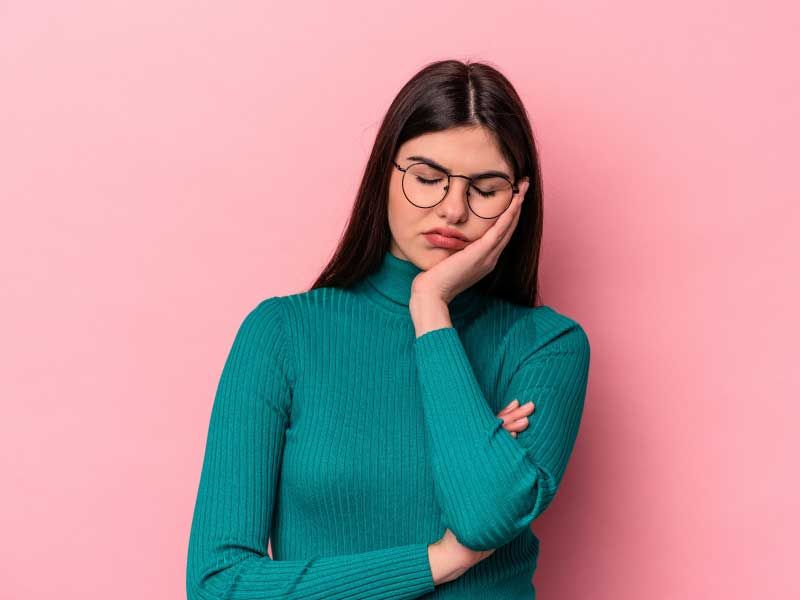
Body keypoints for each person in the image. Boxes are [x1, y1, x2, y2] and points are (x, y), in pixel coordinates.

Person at [186, 59, 591, 599]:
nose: (452, 210)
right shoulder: (283, 334)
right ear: (386, 174)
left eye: (485, 189)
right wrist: (434, 563)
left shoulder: (547, 346)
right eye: (427, 179)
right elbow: (219, 585)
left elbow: (485, 520)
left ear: (518, 200)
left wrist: (429, 308)